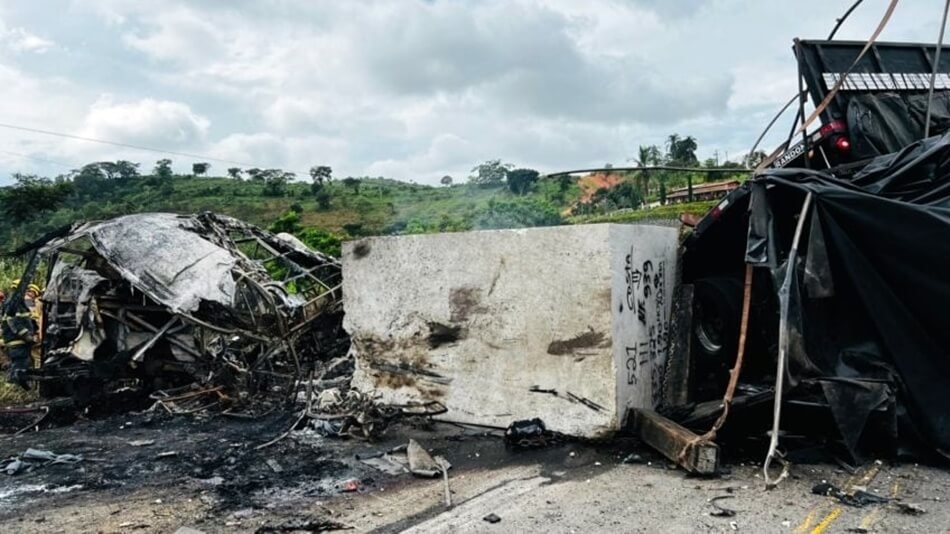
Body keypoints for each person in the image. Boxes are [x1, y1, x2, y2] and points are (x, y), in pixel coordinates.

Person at [2, 300, 35, 389]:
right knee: (19, 364)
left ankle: (14, 385)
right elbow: (15, 322)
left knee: (17, 363)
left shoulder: (14, 305)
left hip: (14, 341)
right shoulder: (16, 306)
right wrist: (27, 335)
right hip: (17, 341)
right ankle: (14, 385)